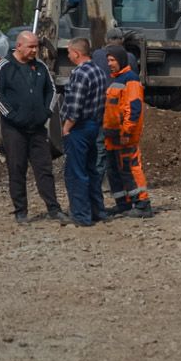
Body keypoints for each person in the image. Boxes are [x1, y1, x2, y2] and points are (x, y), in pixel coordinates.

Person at [0, 30, 71, 225]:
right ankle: (21, 211)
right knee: (17, 168)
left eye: (36, 47)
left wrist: (46, 112)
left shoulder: (40, 66)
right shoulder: (4, 66)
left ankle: (54, 209)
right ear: (19, 46)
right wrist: (12, 115)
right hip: (14, 129)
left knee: (44, 169)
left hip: (38, 128)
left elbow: (51, 90)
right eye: (31, 47)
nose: (35, 50)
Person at [60, 38, 109, 227]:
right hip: (94, 125)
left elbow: (75, 106)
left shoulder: (80, 73)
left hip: (79, 128)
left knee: (76, 172)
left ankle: (81, 215)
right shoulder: (99, 71)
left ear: (77, 53)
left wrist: (66, 128)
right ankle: (98, 211)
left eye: (69, 52)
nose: (68, 56)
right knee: (92, 170)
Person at [103, 46, 154, 218]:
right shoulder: (116, 80)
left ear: (121, 60)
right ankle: (123, 203)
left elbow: (133, 108)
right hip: (112, 135)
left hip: (124, 136)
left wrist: (126, 132)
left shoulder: (130, 79)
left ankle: (142, 204)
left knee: (130, 168)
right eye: (108, 60)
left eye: (112, 60)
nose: (109, 64)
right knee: (114, 170)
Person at [92, 28, 137, 215]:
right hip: (119, 115)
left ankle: (99, 189)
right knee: (124, 157)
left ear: (106, 39)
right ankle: (130, 198)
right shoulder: (130, 58)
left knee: (102, 152)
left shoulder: (97, 55)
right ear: (121, 40)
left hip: (102, 111)